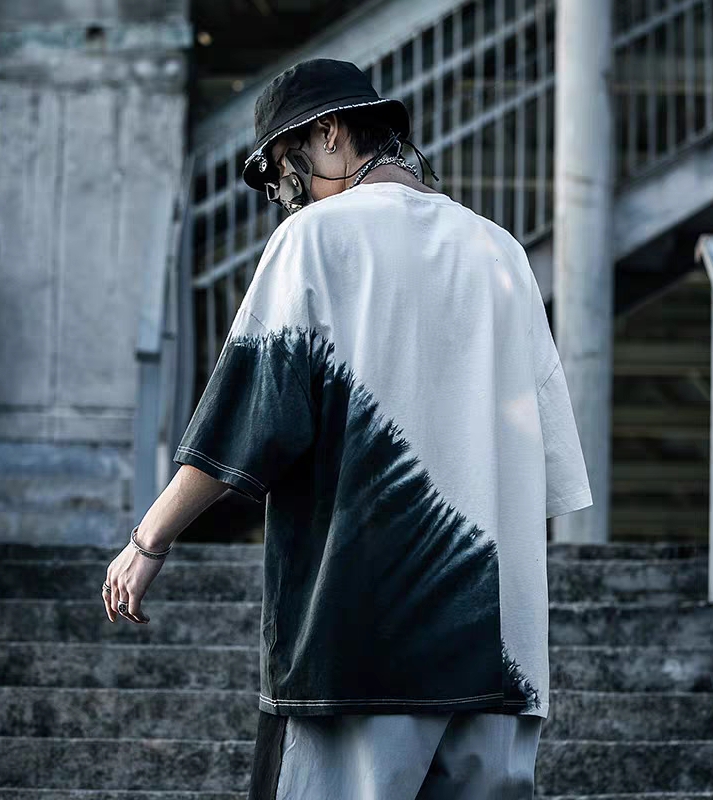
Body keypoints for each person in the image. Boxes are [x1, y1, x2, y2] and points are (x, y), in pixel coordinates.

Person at [101, 58, 593, 799]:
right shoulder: (502, 251)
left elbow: (248, 419)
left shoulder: (314, 239)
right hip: (501, 656)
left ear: (328, 134)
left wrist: (149, 540)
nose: (284, 195)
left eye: (282, 170)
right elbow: (547, 467)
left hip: (363, 647)